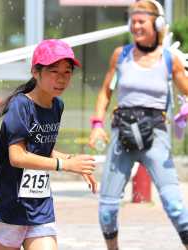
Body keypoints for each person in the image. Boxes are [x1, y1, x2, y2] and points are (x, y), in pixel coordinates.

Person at [0, 39, 97, 250]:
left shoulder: (57, 105)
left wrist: (72, 161)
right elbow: (18, 157)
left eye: (67, 72)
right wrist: (65, 166)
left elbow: (41, 149)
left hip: (39, 207)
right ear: (35, 72)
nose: (61, 79)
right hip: (7, 206)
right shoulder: (21, 105)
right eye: (53, 71)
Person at [89, 1, 188, 250]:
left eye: (141, 21)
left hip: (155, 133)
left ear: (157, 24)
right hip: (122, 132)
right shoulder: (120, 55)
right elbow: (104, 92)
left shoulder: (170, 60)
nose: (135, 25)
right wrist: (97, 124)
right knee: (107, 210)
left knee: (175, 205)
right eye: (132, 21)